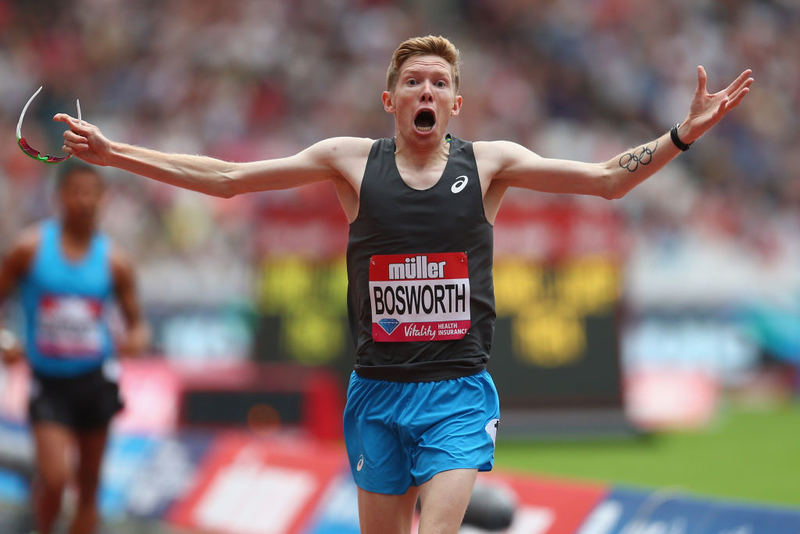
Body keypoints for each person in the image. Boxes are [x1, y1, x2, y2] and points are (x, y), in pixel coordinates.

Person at [52, 35, 752, 534]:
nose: (427, 90)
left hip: (456, 392)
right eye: (415, 80)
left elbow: (606, 181)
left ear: (456, 103)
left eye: (440, 83)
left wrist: (682, 135)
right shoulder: (349, 162)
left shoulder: (491, 164)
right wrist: (116, 154)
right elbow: (229, 180)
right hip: (377, 392)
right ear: (391, 99)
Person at [0, 163, 149, 534]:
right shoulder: (29, 249)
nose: (83, 200)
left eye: (91, 192)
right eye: (75, 191)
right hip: (48, 382)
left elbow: (137, 324)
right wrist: (5, 340)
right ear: (59, 196)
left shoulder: (116, 262)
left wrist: (135, 340)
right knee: (53, 478)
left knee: (89, 490)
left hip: (95, 380)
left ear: (103, 199)